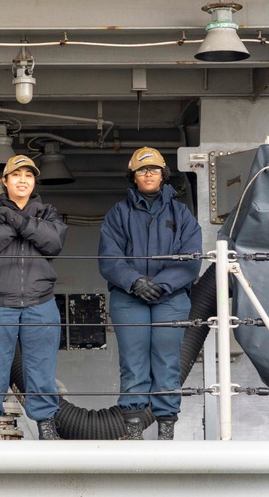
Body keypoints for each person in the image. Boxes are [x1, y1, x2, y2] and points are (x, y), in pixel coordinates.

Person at [99, 147, 201, 440]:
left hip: (171, 298)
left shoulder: (181, 214)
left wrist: (162, 284)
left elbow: (192, 258)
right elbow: (109, 257)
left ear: (163, 175)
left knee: (167, 363)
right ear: (133, 176)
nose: (148, 174)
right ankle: (134, 431)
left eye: (154, 169)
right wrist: (134, 282)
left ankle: (166, 432)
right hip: (129, 297)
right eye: (142, 170)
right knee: (133, 364)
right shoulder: (118, 214)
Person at [0, 155, 68, 441]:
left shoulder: (49, 212)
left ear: (34, 181)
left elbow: (54, 243)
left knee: (42, 368)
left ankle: (46, 425)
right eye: (16, 175)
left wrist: (14, 219)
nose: (22, 180)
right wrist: (26, 224)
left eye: (28, 175)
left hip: (41, 300)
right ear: (5, 180)